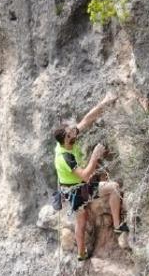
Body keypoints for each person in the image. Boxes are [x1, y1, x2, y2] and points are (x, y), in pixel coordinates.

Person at [54, 92, 128, 261]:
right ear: (67, 139)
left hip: (73, 187)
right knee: (112, 189)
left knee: (82, 218)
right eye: (71, 132)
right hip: (77, 191)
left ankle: (83, 252)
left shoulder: (67, 140)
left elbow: (87, 120)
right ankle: (114, 228)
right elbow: (86, 176)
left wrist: (105, 102)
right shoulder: (65, 157)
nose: (75, 131)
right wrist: (95, 156)